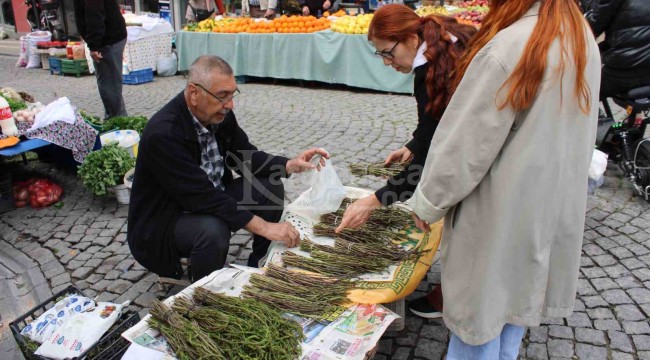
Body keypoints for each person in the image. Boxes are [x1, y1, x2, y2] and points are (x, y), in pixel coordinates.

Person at [407, 0, 600, 357]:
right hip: (546, 205)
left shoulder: (510, 46)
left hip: (500, 209)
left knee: (478, 327)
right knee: (511, 313)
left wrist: (428, 201)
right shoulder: (578, 35)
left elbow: (465, 144)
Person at [127, 55, 328, 282]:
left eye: (232, 95)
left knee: (268, 186)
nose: (230, 105)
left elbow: (245, 158)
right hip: (164, 222)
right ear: (194, 94)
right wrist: (264, 226)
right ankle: (204, 291)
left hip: (210, 197)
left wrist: (288, 165)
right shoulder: (164, 134)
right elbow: (202, 197)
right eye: (222, 96)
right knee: (212, 230)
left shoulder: (219, 115)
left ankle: (261, 265)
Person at [334, 4, 477, 318]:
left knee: (471, 226)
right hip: (477, 148)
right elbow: (432, 127)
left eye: (387, 52)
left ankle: (461, 299)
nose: (387, 62)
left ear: (410, 37)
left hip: (480, 158)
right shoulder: (444, 39)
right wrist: (412, 145)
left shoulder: (432, 71)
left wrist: (376, 200)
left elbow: (434, 155)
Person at [582, 0, 650, 99]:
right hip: (645, 68)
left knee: (579, 93)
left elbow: (592, 27)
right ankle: (637, 113)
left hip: (623, 72)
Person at [72, 0, 127, 119]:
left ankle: (117, 121)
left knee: (109, 85)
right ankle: (114, 119)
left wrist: (94, 46)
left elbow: (95, 17)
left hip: (108, 40)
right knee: (109, 83)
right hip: (109, 38)